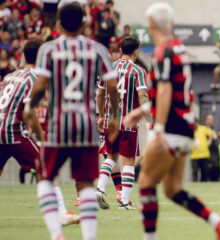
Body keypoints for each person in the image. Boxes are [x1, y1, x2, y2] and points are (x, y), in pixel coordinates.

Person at [123, 2, 220, 240]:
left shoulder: (163, 51)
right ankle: (219, 224)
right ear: (171, 24)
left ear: (150, 24)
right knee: (172, 189)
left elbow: (164, 91)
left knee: (145, 181)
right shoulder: (179, 48)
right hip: (186, 128)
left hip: (170, 128)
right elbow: (173, 91)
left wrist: (158, 128)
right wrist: (141, 111)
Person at [23, 4, 119, 240]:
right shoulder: (97, 49)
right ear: (85, 24)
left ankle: (56, 234)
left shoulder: (49, 49)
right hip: (86, 126)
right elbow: (113, 87)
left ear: (58, 25)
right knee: (86, 183)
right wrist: (113, 116)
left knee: (45, 178)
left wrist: (29, 106)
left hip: (58, 125)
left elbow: (40, 85)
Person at [0, 39, 80, 228]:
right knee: (47, 166)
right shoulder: (36, 78)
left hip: (1, 127)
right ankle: (61, 213)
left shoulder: (10, 76)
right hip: (13, 131)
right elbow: (30, 111)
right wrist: (42, 137)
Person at [96, 36, 149, 210]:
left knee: (111, 156)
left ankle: (100, 188)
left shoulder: (109, 67)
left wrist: (101, 116)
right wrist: (148, 119)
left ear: (120, 49)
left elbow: (99, 94)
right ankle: (124, 202)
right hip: (128, 122)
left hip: (111, 121)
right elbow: (142, 95)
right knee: (129, 161)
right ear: (136, 51)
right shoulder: (137, 71)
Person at [190, 117, 213, 182]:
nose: (194, 124)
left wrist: (209, 141)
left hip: (204, 154)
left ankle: (204, 186)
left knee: (204, 172)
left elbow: (211, 133)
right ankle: (194, 185)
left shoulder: (203, 128)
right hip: (194, 155)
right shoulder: (190, 129)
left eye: (195, 123)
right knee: (195, 172)